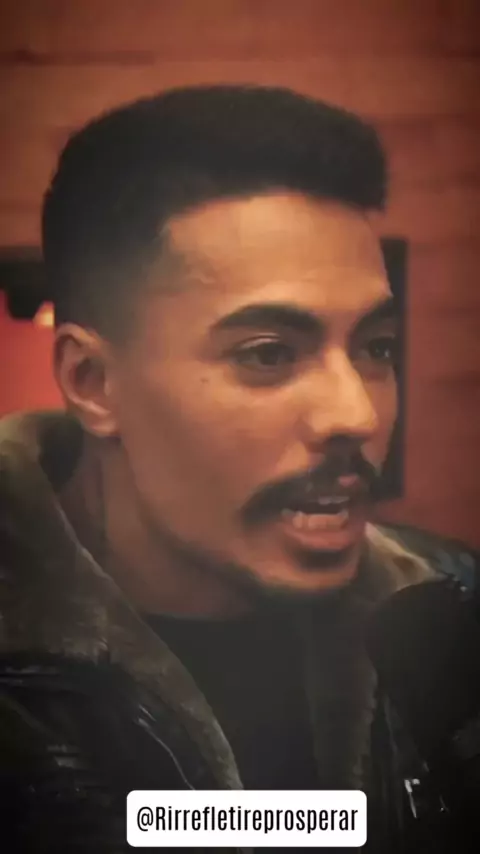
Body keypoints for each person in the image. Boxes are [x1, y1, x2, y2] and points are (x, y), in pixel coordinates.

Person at [0, 84, 477, 853]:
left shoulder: (452, 613)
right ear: (93, 383)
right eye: (268, 354)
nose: (355, 414)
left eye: (376, 347)